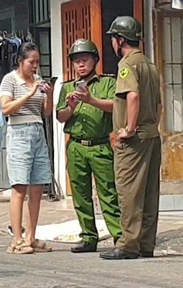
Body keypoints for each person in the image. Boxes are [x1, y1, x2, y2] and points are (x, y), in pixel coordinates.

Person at [100, 16, 162, 260]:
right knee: (148, 192)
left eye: (113, 39)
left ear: (120, 40)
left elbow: (133, 96)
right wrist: (151, 126)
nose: (113, 44)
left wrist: (129, 128)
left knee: (128, 191)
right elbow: (158, 104)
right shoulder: (149, 64)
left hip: (134, 140)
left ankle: (128, 244)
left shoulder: (127, 65)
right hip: (152, 135)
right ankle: (146, 244)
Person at [55, 39, 122, 253]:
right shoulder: (67, 87)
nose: (81, 65)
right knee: (80, 194)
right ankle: (88, 236)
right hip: (75, 145)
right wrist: (72, 106)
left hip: (101, 145)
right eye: (76, 61)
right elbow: (60, 116)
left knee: (108, 193)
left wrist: (90, 99)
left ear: (95, 60)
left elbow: (115, 106)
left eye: (85, 60)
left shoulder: (107, 83)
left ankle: (119, 237)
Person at [0, 42, 55, 254]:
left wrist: (48, 95)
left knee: (38, 186)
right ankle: (17, 239)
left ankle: (31, 236)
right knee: (19, 187)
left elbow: (46, 112)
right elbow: (6, 109)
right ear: (20, 61)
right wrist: (29, 94)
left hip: (38, 132)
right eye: (31, 62)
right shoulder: (10, 80)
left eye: (37, 62)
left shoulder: (38, 81)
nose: (35, 66)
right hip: (19, 132)